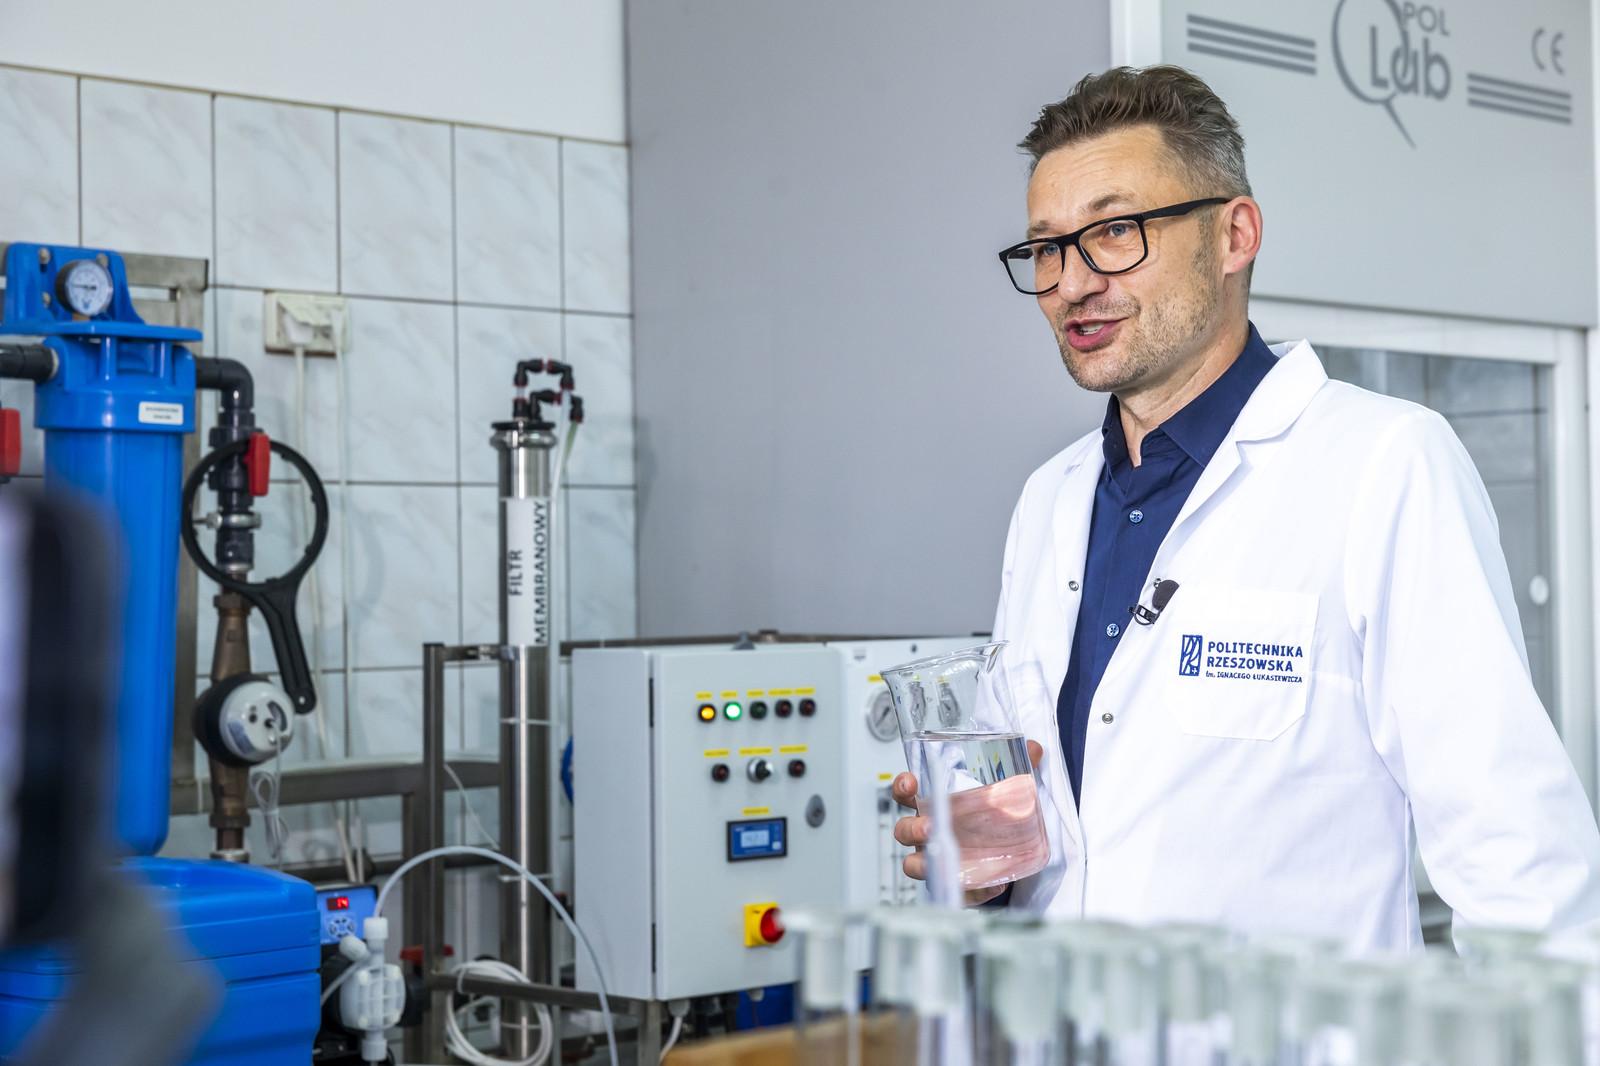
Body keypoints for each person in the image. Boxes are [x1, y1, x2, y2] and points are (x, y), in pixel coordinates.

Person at [892, 65, 1600, 951]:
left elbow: (1518, 863)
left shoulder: (1384, 464)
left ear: (1234, 236)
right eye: (1047, 249)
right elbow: (1058, 834)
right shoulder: (1050, 501)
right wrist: (982, 874)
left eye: (1114, 232)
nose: (1071, 283)